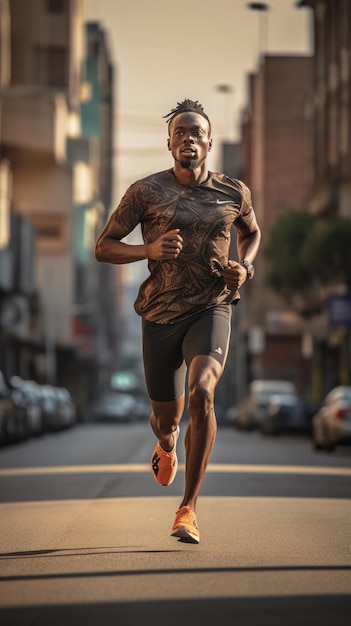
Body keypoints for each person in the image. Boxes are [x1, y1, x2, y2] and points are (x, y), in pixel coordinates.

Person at [95, 99, 261, 544]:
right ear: (169, 143)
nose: (189, 138)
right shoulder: (145, 192)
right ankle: (166, 444)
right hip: (160, 314)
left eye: (197, 132)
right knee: (166, 419)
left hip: (213, 306)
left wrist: (244, 268)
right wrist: (146, 251)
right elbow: (104, 246)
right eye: (180, 132)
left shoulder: (234, 191)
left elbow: (253, 232)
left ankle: (187, 509)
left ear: (209, 141)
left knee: (203, 392)